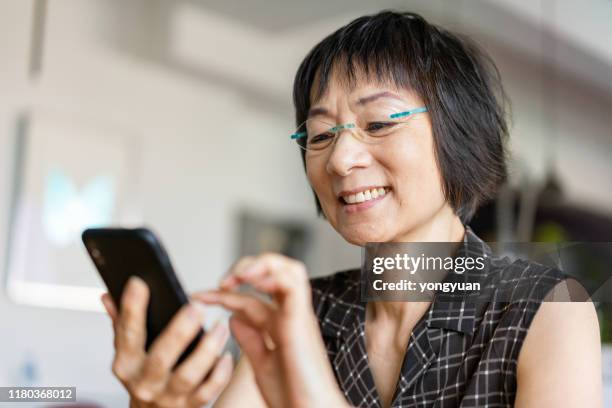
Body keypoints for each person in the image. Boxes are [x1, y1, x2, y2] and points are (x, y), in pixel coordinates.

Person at [100, 11, 602, 408]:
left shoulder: (547, 309)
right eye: (320, 135)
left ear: (460, 136)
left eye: (379, 124)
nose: (340, 160)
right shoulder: (304, 313)